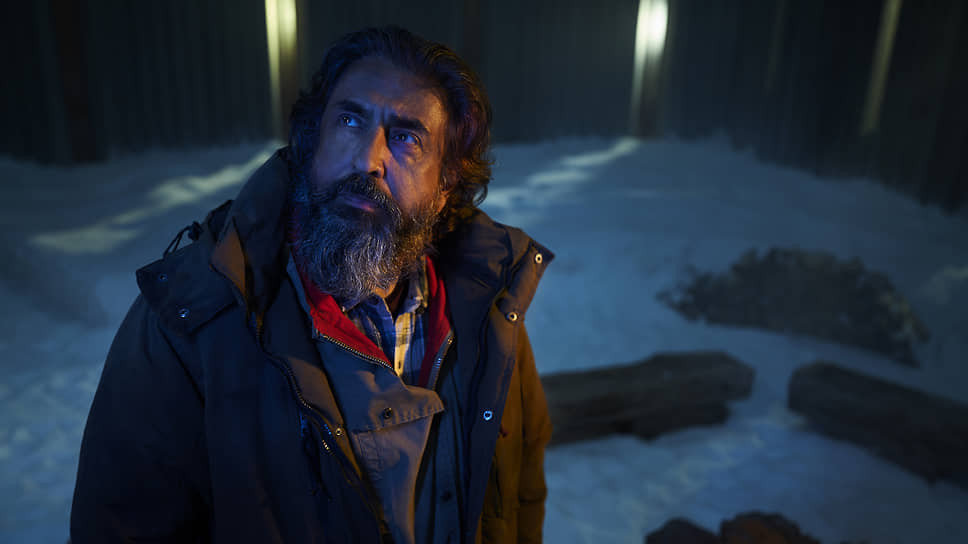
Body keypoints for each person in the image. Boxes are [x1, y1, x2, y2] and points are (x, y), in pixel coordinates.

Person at [70, 26, 553, 544]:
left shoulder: (490, 312)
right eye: (349, 120)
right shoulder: (192, 319)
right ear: (312, 139)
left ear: (444, 187)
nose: (367, 159)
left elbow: (519, 499)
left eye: (406, 137)